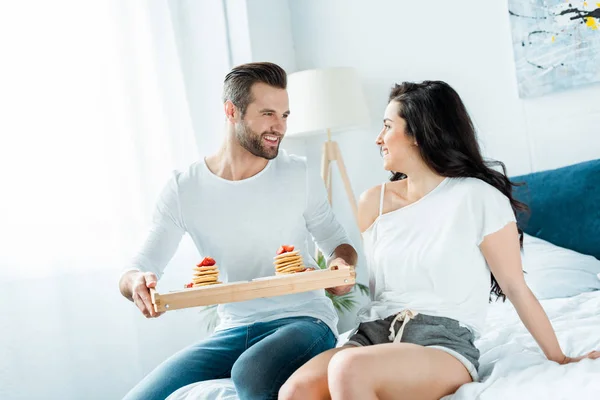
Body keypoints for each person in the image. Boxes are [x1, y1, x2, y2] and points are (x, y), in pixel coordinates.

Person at [279, 80, 600, 400]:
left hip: (441, 341)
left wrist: (560, 358)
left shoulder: (478, 197)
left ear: (418, 134)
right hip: (371, 335)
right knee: (294, 391)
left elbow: (516, 288)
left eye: (388, 127)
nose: (378, 139)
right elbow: (380, 286)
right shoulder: (372, 203)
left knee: (347, 369)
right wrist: (331, 277)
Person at [119, 62, 358, 400]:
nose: (280, 126)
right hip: (233, 329)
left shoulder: (297, 174)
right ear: (232, 111)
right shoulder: (183, 188)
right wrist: (138, 284)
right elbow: (136, 268)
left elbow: (338, 243)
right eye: (268, 114)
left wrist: (339, 269)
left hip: (304, 322)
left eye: (285, 115)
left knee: (251, 371)